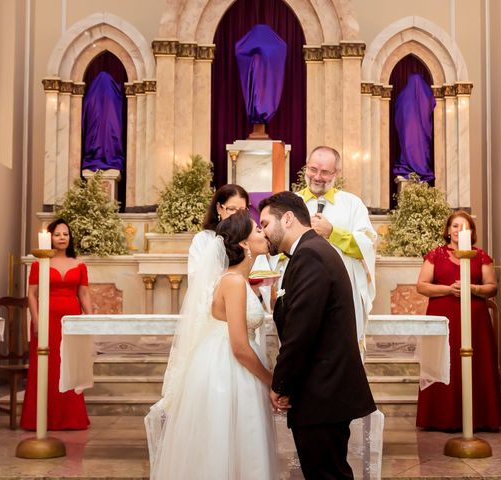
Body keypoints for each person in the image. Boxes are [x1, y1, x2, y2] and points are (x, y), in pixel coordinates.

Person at [146, 211, 277, 479]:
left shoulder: (237, 280)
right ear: (243, 243)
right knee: (230, 442)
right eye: (256, 230)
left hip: (229, 364)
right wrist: (271, 381)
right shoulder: (233, 282)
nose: (263, 233)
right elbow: (240, 346)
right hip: (229, 371)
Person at [259, 191, 375, 480]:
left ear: (287, 219)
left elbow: (302, 330)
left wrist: (281, 383)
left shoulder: (310, 254)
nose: (263, 233)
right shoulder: (310, 250)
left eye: (264, 224)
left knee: (327, 474)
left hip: (323, 390)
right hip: (324, 389)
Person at [415, 210, 501, 432]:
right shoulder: (435, 255)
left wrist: (472, 288)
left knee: (476, 362)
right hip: (442, 317)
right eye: (455, 226)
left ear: (471, 231)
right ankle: (438, 417)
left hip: (475, 318)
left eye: (464, 226)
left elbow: (492, 287)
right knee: (443, 361)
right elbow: (422, 285)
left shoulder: (480, 256)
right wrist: (449, 289)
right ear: (447, 230)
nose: (458, 230)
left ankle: (481, 418)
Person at [296, 146, 376, 353]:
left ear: (336, 174)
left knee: (340, 352)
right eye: (313, 169)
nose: (317, 176)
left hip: (341, 293)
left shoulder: (352, 204)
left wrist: (332, 232)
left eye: (325, 172)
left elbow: (366, 247)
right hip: (300, 290)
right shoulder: (291, 203)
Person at [20, 218, 92, 430]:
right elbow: (32, 294)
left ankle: (71, 418)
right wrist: (36, 319)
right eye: (58, 234)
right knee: (46, 367)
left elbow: (84, 293)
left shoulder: (79, 264)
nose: (62, 238)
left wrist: (90, 319)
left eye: (66, 234)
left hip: (71, 321)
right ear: (50, 237)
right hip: (46, 321)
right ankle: (40, 419)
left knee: (69, 365)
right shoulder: (39, 263)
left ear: (70, 238)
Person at [187, 184, 250, 285]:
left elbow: (260, 272)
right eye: (232, 209)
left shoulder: (250, 237)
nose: (237, 216)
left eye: (242, 210)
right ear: (219, 208)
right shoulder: (203, 239)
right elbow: (195, 278)